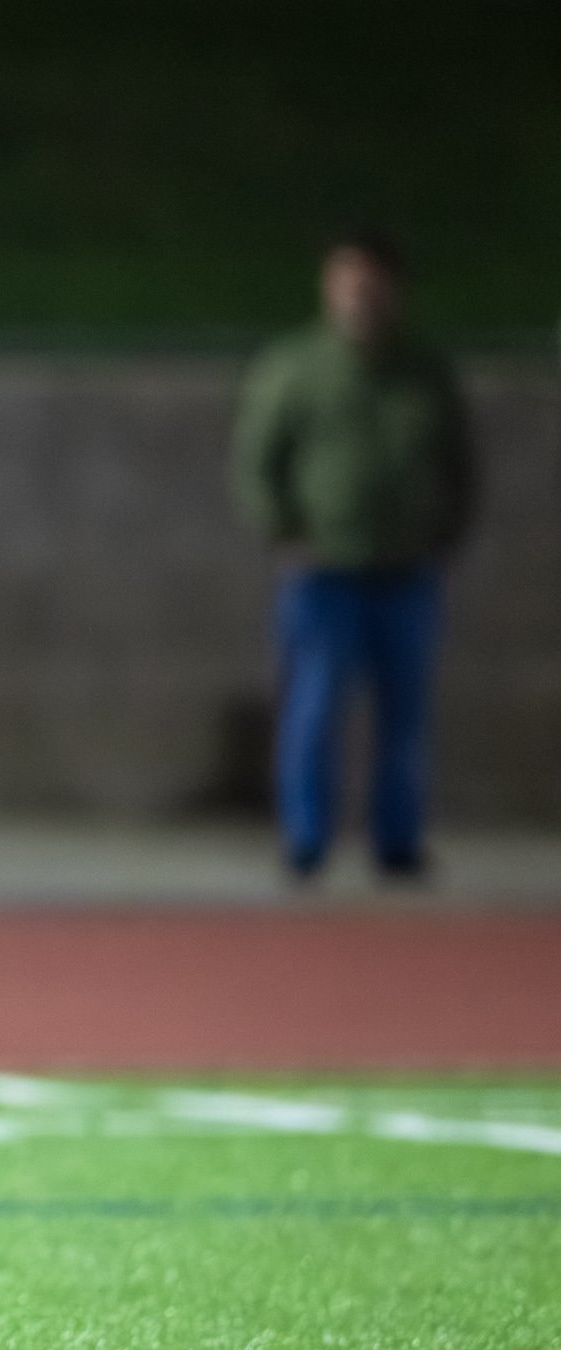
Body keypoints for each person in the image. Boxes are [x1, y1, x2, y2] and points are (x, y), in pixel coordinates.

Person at [233, 231, 471, 880]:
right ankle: (307, 841)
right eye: (349, 281)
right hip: (324, 571)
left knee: (405, 714)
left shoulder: (423, 371)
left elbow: (460, 464)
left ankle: (398, 843)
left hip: (406, 569)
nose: (362, 295)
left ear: (395, 290)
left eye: (374, 282)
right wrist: (284, 532)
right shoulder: (295, 367)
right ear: (329, 286)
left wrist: (446, 535)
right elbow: (257, 460)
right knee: (314, 707)